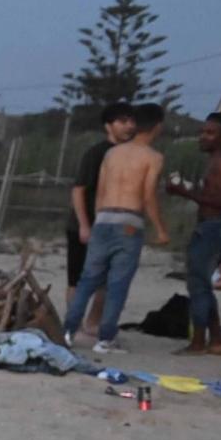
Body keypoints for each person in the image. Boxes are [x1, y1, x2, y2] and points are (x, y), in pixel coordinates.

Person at [62, 103, 168, 354]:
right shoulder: (153, 157)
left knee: (87, 279)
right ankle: (105, 338)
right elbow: (148, 195)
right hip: (129, 221)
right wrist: (160, 228)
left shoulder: (112, 154)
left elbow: (100, 191)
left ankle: (68, 331)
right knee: (117, 284)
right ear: (157, 127)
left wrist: (98, 219)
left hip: (104, 218)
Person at [164, 112, 221, 355]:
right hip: (214, 227)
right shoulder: (217, 160)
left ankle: (198, 342)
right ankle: (215, 339)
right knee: (203, 284)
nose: (203, 137)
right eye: (202, 132)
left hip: (212, 229)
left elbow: (219, 200)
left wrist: (183, 192)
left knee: (198, 286)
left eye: (210, 133)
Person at [65, 101, 137, 337]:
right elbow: (79, 190)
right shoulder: (97, 153)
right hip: (85, 225)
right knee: (78, 278)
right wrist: (84, 225)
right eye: (123, 121)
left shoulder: (132, 154)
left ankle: (93, 323)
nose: (129, 126)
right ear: (109, 125)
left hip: (115, 227)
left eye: (132, 121)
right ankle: (72, 322)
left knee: (106, 280)